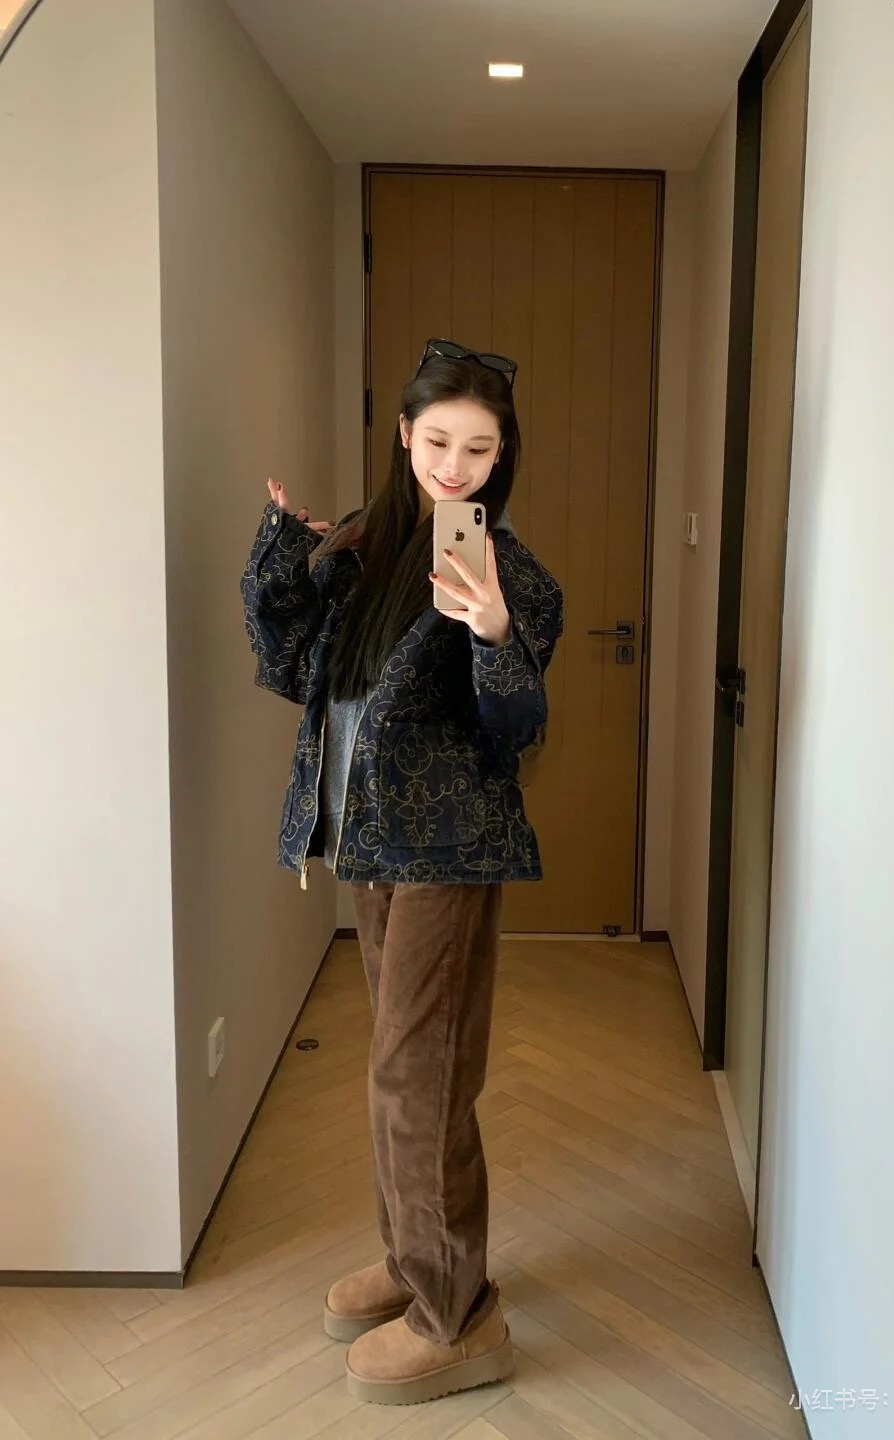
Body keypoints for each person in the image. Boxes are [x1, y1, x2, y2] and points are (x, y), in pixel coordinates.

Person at [241, 339, 564, 1405]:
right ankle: (414, 1259)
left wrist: (495, 633)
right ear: (403, 436)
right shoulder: (368, 544)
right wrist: (282, 560)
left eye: (478, 448)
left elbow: (517, 730)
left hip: (444, 850)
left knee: (418, 1078)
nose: (455, 467)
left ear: (503, 455)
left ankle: (458, 1316)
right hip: (369, 844)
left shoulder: (509, 573)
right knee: (400, 1070)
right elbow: (294, 671)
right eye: (437, 442)